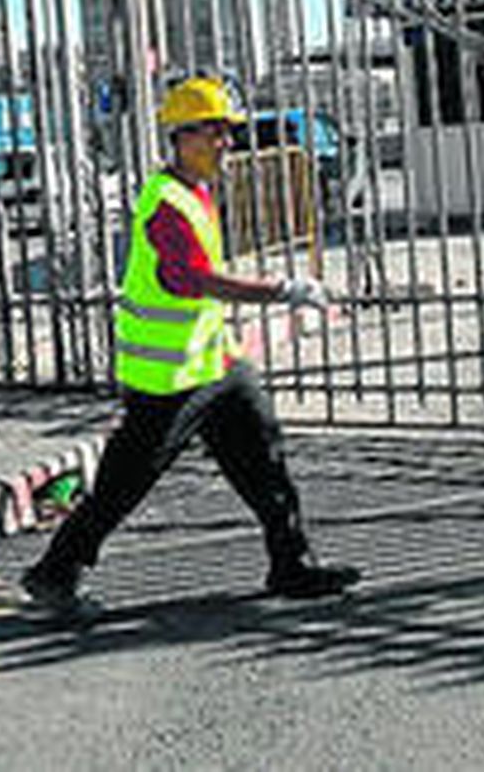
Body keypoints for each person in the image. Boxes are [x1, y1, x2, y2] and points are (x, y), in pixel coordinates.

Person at [21, 77, 359, 616]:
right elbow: (192, 280)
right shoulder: (166, 203)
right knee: (122, 487)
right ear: (181, 136)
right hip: (169, 379)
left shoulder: (197, 191)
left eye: (227, 133)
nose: (225, 143)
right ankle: (54, 572)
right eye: (214, 133)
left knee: (266, 458)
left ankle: (291, 564)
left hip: (216, 365)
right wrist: (282, 289)